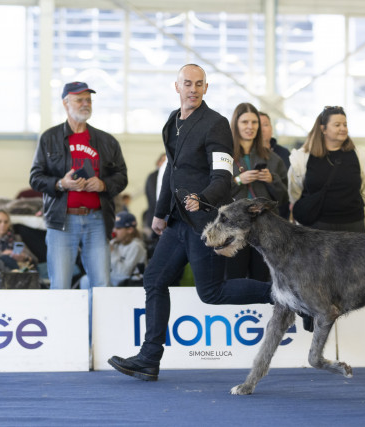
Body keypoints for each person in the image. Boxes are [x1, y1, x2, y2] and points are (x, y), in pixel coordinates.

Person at [108, 64, 273, 381]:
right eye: (187, 83)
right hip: (176, 222)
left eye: (199, 84)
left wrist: (204, 198)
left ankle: (281, 292)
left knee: (211, 293)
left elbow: (223, 176)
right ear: (177, 86)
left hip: (207, 224)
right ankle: (149, 358)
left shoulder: (216, 124)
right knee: (154, 280)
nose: (193, 89)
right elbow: (172, 170)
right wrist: (159, 212)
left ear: (206, 89)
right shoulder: (172, 122)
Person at [29, 81, 128, 289]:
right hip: (62, 221)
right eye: (79, 100)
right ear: (66, 103)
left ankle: (97, 323)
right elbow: (35, 178)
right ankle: (62, 323)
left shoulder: (106, 141)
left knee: (102, 284)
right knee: (61, 285)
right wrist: (61, 183)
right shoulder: (49, 138)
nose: (85, 104)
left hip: (97, 221)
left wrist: (103, 184)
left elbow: (121, 176)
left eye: (88, 100)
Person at [288, 106, 365, 233]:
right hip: (316, 227)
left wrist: (351, 206)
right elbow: (295, 191)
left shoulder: (361, 156)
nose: (343, 129)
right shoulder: (302, 157)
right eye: (337, 125)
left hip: (353, 225)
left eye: (345, 125)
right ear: (323, 129)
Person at [227, 102, 288, 281]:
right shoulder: (224, 156)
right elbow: (215, 191)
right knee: (234, 278)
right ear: (236, 125)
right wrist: (239, 180)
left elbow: (284, 197)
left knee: (263, 279)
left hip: (265, 230)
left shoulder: (273, 158)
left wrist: (272, 180)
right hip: (234, 229)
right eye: (245, 122)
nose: (250, 127)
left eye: (254, 123)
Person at [79, 211, 147, 288]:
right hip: (115, 280)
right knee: (86, 279)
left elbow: (123, 274)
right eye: (113, 227)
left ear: (130, 230)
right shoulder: (115, 243)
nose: (114, 231)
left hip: (129, 284)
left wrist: (112, 252)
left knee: (88, 281)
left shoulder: (136, 246)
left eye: (118, 228)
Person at [259, 111, 291, 218]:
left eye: (265, 125)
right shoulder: (244, 155)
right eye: (257, 124)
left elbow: (289, 185)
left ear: (272, 129)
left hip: (280, 212)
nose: (262, 129)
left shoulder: (283, 153)